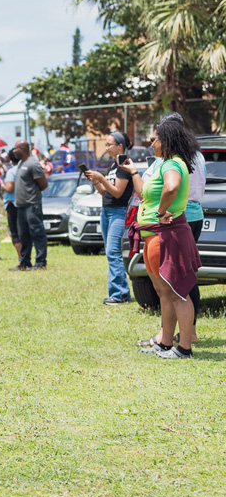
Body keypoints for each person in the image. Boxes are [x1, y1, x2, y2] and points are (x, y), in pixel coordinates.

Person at [132, 113, 206, 348]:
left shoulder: (173, 163)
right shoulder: (167, 162)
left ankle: (184, 347)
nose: (151, 143)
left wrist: (161, 210)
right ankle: (165, 342)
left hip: (168, 233)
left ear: (166, 140)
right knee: (165, 291)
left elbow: (172, 187)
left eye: (154, 139)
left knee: (177, 291)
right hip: (155, 235)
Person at [83, 131, 135, 304]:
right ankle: (120, 292)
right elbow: (106, 192)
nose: (106, 148)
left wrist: (102, 178)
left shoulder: (125, 165)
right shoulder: (114, 166)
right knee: (110, 252)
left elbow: (118, 192)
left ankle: (120, 294)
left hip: (119, 212)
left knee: (113, 252)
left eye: (109, 144)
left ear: (120, 146)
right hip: (107, 211)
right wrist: (96, 181)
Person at [11, 140, 48, 270]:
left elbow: (43, 184)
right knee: (24, 236)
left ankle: (40, 262)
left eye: (16, 148)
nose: (13, 151)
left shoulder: (33, 164)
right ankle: (25, 262)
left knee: (37, 233)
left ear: (23, 149)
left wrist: (32, 196)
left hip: (32, 205)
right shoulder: (21, 163)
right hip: (21, 206)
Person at [1, 150, 21, 260]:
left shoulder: (11, 171)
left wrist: (1, 184)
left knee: (15, 233)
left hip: (12, 203)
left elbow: (9, 188)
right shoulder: (26, 169)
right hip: (25, 202)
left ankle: (21, 258)